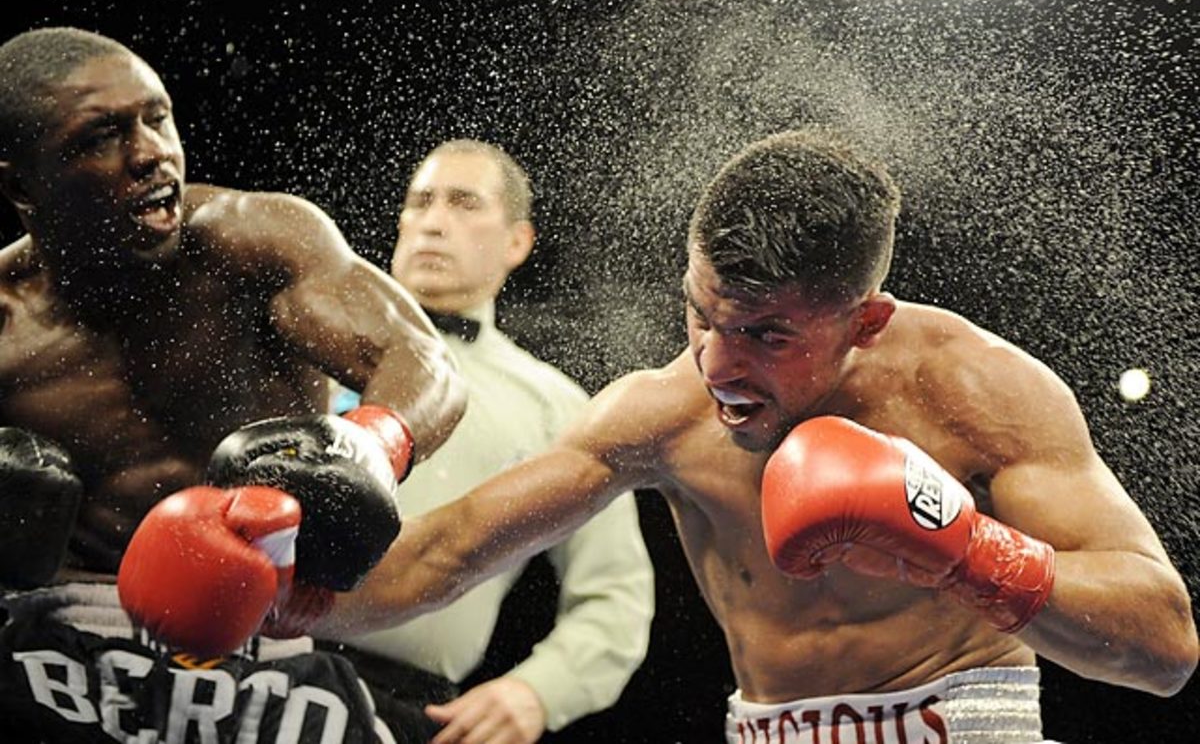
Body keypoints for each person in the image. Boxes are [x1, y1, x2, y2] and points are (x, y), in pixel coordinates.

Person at [316, 128, 1200, 743]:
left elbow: (1164, 647)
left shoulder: (980, 393)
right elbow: (448, 550)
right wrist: (276, 591)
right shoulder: (661, 409)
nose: (719, 363)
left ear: (866, 322)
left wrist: (965, 549)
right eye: (702, 315)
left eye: (767, 335)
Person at [0, 26, 465, 743]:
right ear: (18, 182)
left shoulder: (252, 242)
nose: (152, 151)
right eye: (101, 136)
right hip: (64, 645)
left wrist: (369, 445)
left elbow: (421, 360)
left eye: (157, 116)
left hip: (267, 640)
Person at [322, 139, 654, 743]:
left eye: (463, 202)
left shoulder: (557, 407)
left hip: (405, 706)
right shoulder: (312, 344)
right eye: (420, 201)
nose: (434, 222)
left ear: (517, 242)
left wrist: (539, 690)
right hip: (242, 660)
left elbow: (617, 592)